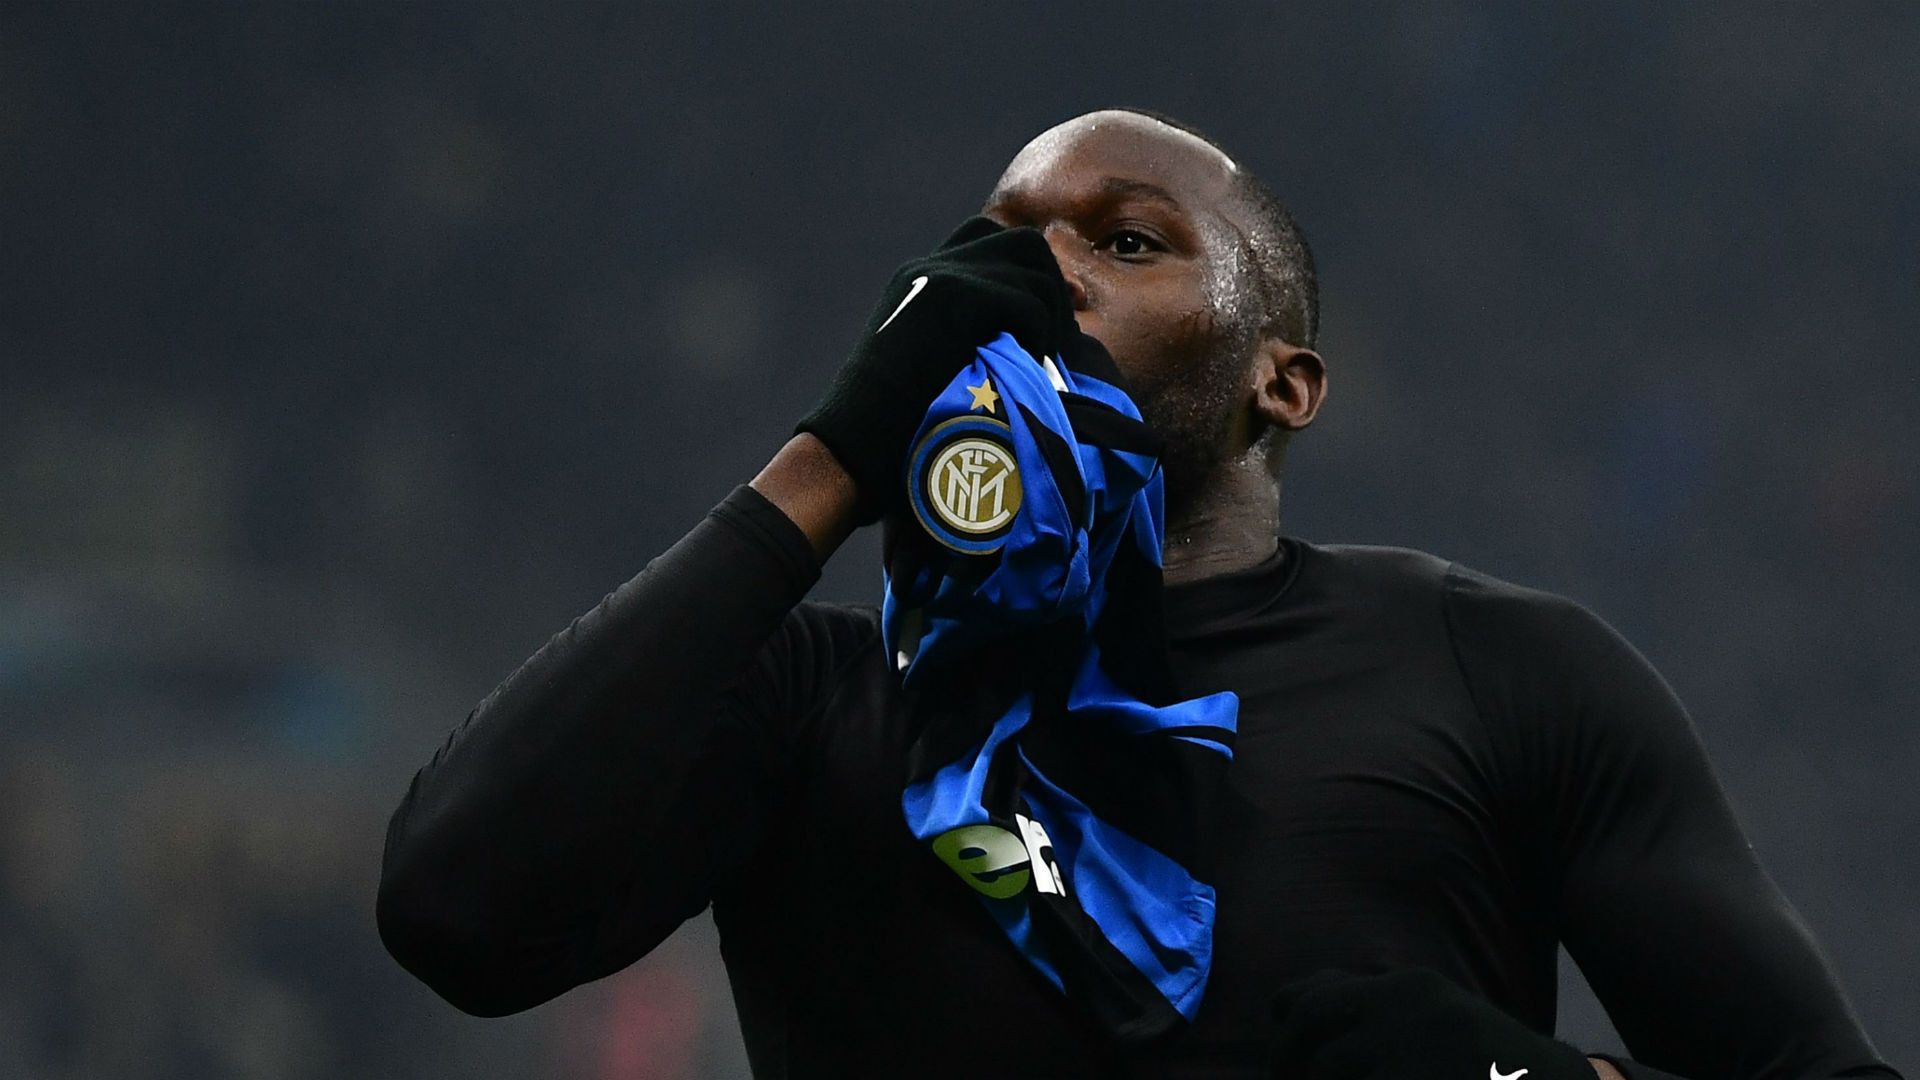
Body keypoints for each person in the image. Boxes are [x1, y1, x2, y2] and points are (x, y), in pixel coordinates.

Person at [375, 109, 1902, 1079]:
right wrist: (832, 461)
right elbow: (457, 912)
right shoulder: (817, 703)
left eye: (1123, 242)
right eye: (991, 253)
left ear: (1281, 382)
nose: (1039, 278)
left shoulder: (1503, 675)